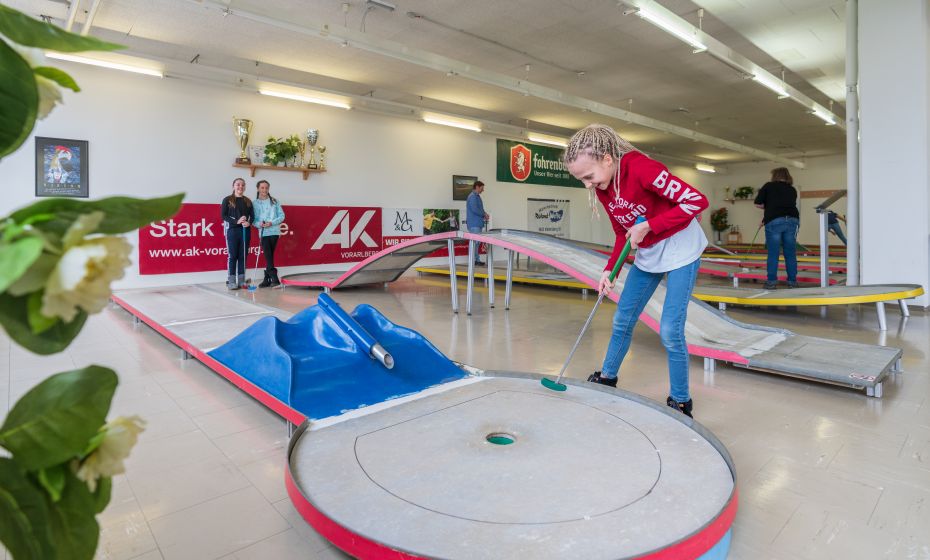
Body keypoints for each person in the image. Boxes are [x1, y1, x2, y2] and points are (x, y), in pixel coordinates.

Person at [563, 124, 708, 418]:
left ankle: (681, 400)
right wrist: (609, 271)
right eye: (582, 180)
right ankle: (607, 377)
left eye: (588, 176)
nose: (588, 185)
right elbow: (622, 234)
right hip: (650, 249)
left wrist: (649, 225)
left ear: (607, 159)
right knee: (622, 319)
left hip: (681, 246)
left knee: (670, 330)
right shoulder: (604, 188)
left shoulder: (642, 169)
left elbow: (696, 201)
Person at [754, 168, 800, 289]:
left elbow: (758, 203)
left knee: (773, 253)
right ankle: (792, 282)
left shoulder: (769, 186)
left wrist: (770, 209)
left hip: (775, 221)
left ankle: (771, 282)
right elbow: (786, 204)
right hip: (792, 220)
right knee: (790, 253)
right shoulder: (792, 189)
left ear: (775, 175)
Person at [221, 178, 253, 290]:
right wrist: (236, 221)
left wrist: (249, 223)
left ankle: (241, 281)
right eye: (238, 184)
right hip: (232, 232)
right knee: (232, 256)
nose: (240, 187)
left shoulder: (248, 201)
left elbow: (252, 216)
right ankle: (231, 281)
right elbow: (223, 215)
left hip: (245, 231)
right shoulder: (227, 200)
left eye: (242, 185)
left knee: (243, 256)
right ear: (233, 186)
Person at [252, 180, 285, 287]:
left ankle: (267, 279)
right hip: (263, 232)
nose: (264, 190)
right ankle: (274, 278)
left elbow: (281, 216)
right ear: (258, 189)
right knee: (268, 255)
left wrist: (271, 223)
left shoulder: (275, 201)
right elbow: (253, 220)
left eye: (266, 188)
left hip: (274, 231)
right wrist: (259, 224)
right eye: (262, 188)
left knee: (269, 256)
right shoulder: (255, 203)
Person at [466, 180, 489, 265]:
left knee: (477, 243)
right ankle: (474, 260)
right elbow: (475, 209)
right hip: (474, 224)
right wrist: (484, 214)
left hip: (478, 223)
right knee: (475, 243)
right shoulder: (472, 197)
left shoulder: (477, 196)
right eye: (482, 188)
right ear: (477, 187)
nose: (483, 190)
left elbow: (480, 208)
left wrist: (485, 214)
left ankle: (476, 260)